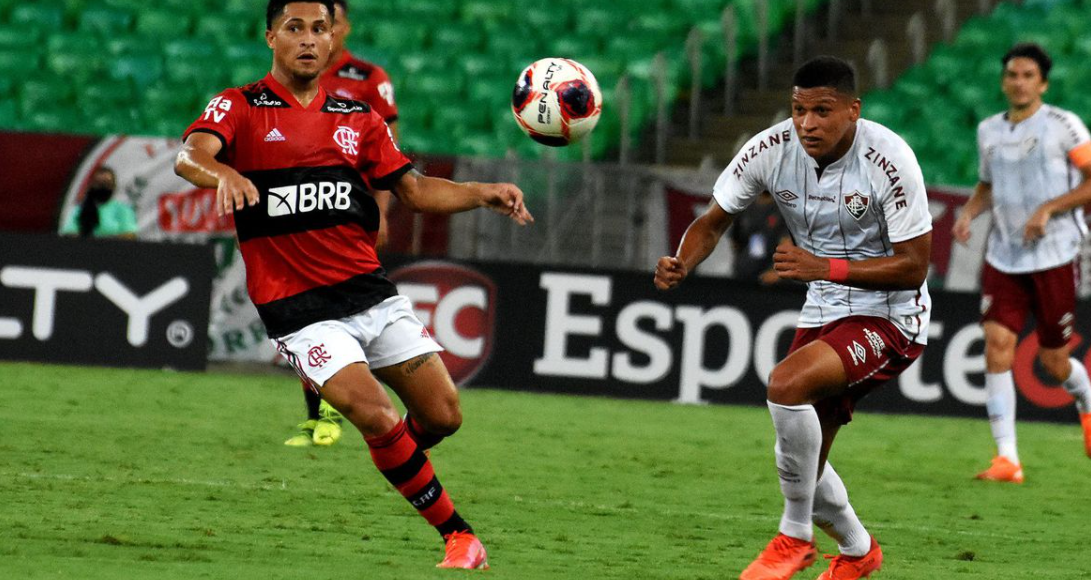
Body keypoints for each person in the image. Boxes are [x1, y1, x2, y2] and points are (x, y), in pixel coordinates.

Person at [174, 0, 532, 568]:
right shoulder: (239, 106)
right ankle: (460, 537)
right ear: (271, 36)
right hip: (298, 308)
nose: (309, 39)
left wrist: (483, 192)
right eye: (295, 28)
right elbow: (189, 155)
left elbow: (413, 189)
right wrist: (225, 173)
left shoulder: (356, 117)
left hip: (369, 292)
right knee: (376, 415)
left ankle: (397, 463)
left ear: (334, 36)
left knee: (443, 416)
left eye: (319, 28)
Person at [655, 56, 931, 580]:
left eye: (822, 111)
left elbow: (915, 266)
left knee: (785, 385)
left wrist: (825, 266)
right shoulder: (769, 149)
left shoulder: (890, 159)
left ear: (853, 111)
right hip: (824, 304)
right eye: (799, 109)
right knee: (805, 461)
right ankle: (858, 552)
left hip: (892, 315)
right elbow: (712, 221)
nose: (807, 123)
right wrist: (682, 261)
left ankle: (794, 536)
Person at [952, 43, 1091, 484]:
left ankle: (1086, 403)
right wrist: (970, 211)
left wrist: (1049, 208)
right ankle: (1007, 459)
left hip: (1056, 255)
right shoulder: (989, 130)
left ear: (1042, 83)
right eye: (1012, 74)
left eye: (1028, 75)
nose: (1018, 81)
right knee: (996, 343)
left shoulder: (1064, 126)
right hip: (1004, 255)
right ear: (1003, 80)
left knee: (1054, 361)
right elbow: (987, 183)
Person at [282, 0, 404, 449]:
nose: (315, 33)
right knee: (307, 312)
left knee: (339, 310)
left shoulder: (370, 80)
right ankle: (318, 416)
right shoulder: (297, 76)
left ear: (343, 27)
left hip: (351, 213)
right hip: (300, 214)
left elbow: (388, 150)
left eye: (327, 23)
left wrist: (382, 211)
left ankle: (339, 410)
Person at [728, 190, 789, 285]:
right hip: (742, 275)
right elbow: (735, 240)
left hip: (769, 278)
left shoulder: (783, 210)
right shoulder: (744, 206)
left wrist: (777, 272)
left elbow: (787, 244)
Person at [60, 166, 138, 239]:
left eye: (107, 183)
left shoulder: (123, 209)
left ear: (114, 186)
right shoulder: (79, 210)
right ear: (91, 185)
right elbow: (68, 234)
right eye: (99, 183)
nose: (103, 187)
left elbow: (129, 235)